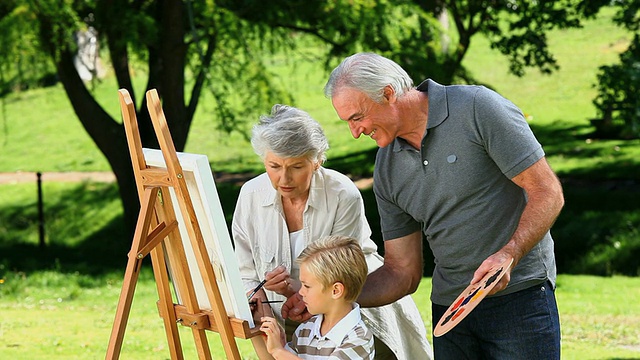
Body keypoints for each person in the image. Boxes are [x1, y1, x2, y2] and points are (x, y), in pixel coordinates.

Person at [305, 52, 564, 359]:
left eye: (357, 117)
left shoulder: (477, 108)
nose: (355, 132)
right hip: (449, 310)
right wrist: (329, 297)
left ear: (388, 93)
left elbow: (548, 192)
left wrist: (510, 253)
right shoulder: (386, 169)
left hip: (519, 298)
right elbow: (402, 272)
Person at [233, 104, 433, 360]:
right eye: (274, 166)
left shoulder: (341, 193)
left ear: (317, 161)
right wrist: (258, 302)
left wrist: (293, 289)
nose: (284, 179)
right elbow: (245, 272)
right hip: (281, 318)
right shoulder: (250, 195)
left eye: (296, 167)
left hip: (347, 315)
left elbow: (341, 274)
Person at [260, 235, 374, 359]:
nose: (301, 292)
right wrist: (280, 344)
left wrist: (278, 351)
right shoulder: (305, 330)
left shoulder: (359, 340)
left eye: (307, 286)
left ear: (336, 291)